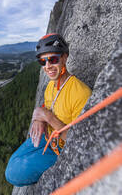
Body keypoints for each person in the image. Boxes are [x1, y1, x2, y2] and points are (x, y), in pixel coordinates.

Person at [5, 33, 92, 187]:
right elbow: (47, 106)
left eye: (53, 59)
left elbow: (81, 140)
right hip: (48, 137)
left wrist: (48, 117)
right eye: (42, 61)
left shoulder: (81, 93)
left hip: (61, 149)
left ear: (64, 57)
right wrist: (39, 118)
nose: (47, 66)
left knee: (13, 174)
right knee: (12, 163)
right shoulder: (51, 87)